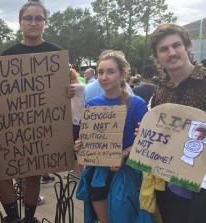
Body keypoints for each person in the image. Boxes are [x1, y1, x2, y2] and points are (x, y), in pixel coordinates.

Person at [0, 1, 76, 222]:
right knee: (1, 171)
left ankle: (29, 217)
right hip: (12, 124)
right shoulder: (7, 55)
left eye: (39, 18)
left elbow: (65, 90)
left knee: (34, 172)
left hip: (43, 124)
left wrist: (69, 91)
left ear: (44, 23)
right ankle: (12, 216)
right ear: (20, 22)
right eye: (28, 18)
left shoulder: (56, 53)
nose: (33, 22)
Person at [75, 50, 152, 223]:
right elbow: (87, 139)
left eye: (110, 72)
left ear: (123, 74)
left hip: (126, 177)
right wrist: (80, 146)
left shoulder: (136, 104)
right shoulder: (92, 105)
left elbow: (144, 143)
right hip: (97, 176)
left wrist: (123, 154)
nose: (104, 77)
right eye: (101, 72)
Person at [143, 23, 206, 223]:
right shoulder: (161, 89)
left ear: (187, 47)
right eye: (163, 49)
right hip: (171, 182)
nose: (171, 52)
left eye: (176, 45)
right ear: (157, 57)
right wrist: (145, 132)